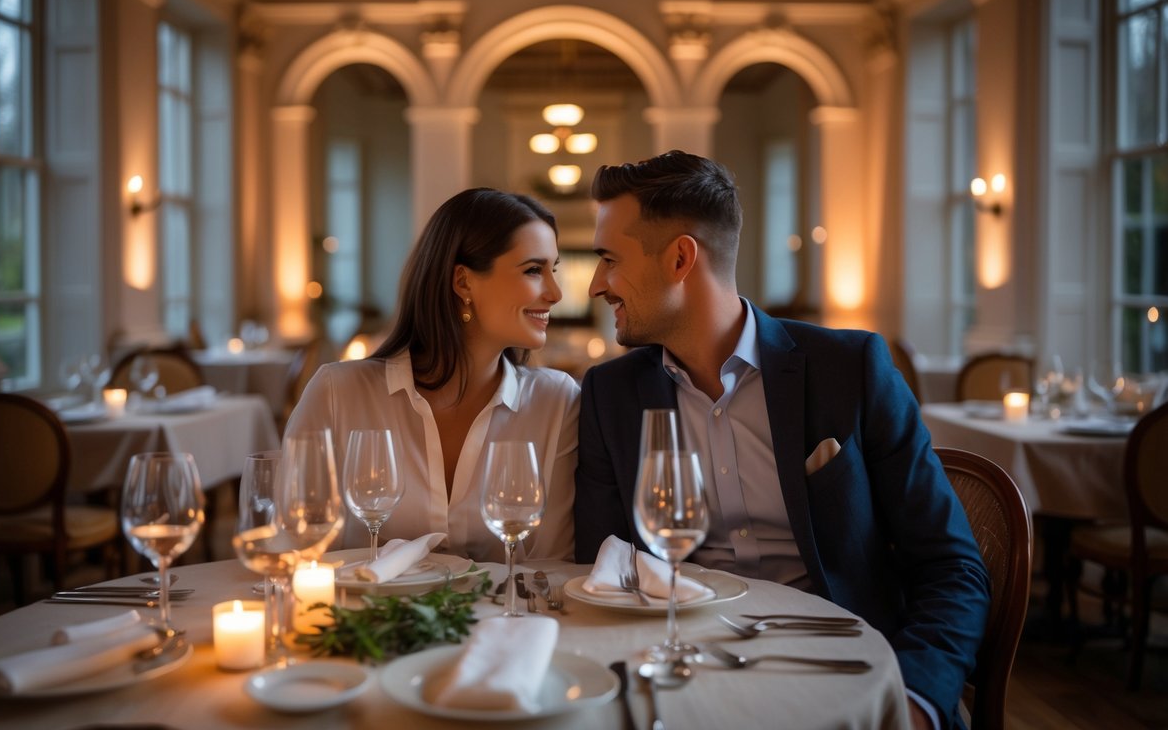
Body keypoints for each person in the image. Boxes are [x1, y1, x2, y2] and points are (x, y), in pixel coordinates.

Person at [573, 151, 988, 730]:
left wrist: (915, 698)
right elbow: (604, 570)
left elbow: (951, 567)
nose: (596, 284)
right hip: (682, 680)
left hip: (845, 672)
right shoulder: (609, 396)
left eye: (610, 260)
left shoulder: (851, 370)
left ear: (680, 258)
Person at [286, 188, 579, 562]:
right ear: (463, 282)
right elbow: (295, 549)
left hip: (505, 620)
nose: (555, 293)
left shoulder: (557, 402)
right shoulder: (336, 395)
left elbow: (552, 566)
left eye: (553, 270)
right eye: (534, 270)